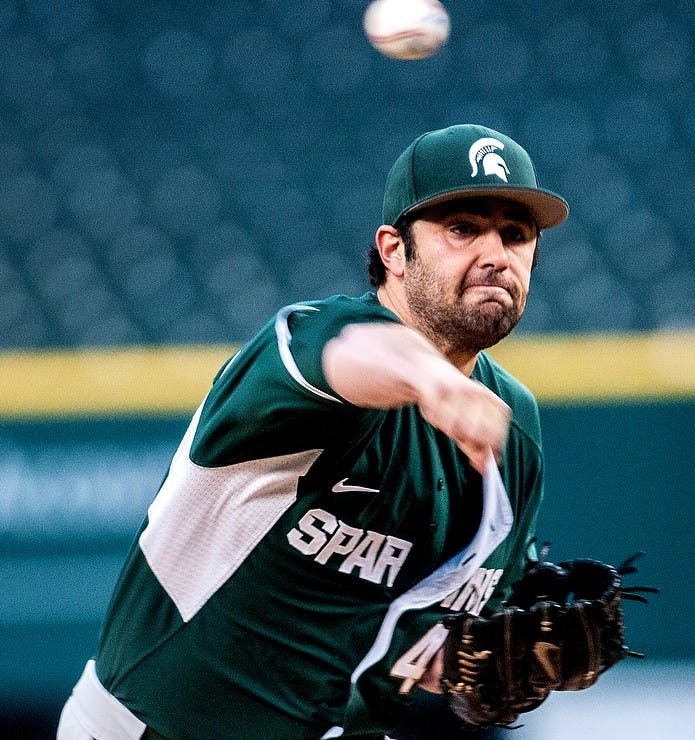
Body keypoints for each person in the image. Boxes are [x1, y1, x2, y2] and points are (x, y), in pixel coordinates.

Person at [57, 123, 569, 740]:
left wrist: (484, 664)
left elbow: (427, 642)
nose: (495, 254)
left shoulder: (516, 430)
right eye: (463, 229)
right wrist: (433, 382)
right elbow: (355, 356)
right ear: (393, 251)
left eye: (515, 235)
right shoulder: (310, 342)